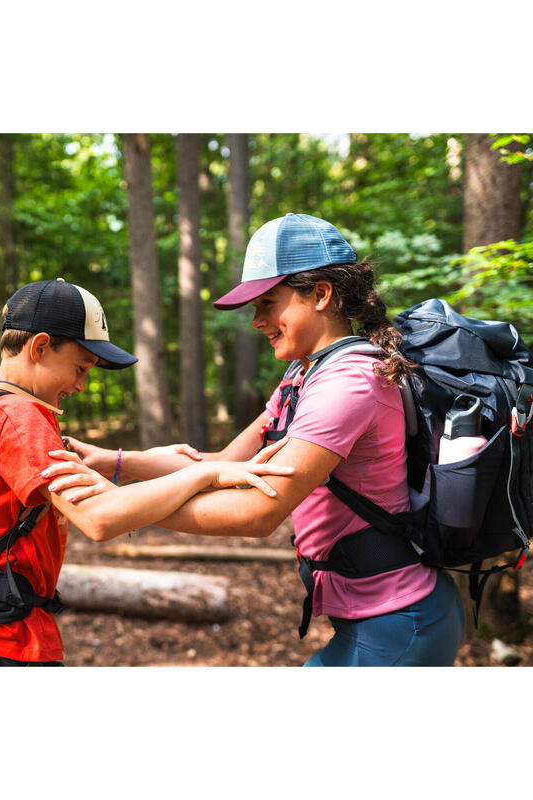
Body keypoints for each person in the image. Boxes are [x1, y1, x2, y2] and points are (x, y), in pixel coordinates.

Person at [52, 213, 466, 666]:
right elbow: (226, 464)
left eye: (268, 302)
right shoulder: (304, 374)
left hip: (399, 622)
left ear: (321, 295)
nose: (256, 321)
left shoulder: (348, 383)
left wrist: (122, 504)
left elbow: (257, 511)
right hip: (379, 617)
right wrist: (113, 461)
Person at [0, 278, 293, 666]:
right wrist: (208, 473)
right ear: (40, 347)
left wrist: (129, 460)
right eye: (80, 368)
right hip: (0, 641)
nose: (82, 386)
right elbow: (100, 518)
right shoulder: (20, 417)